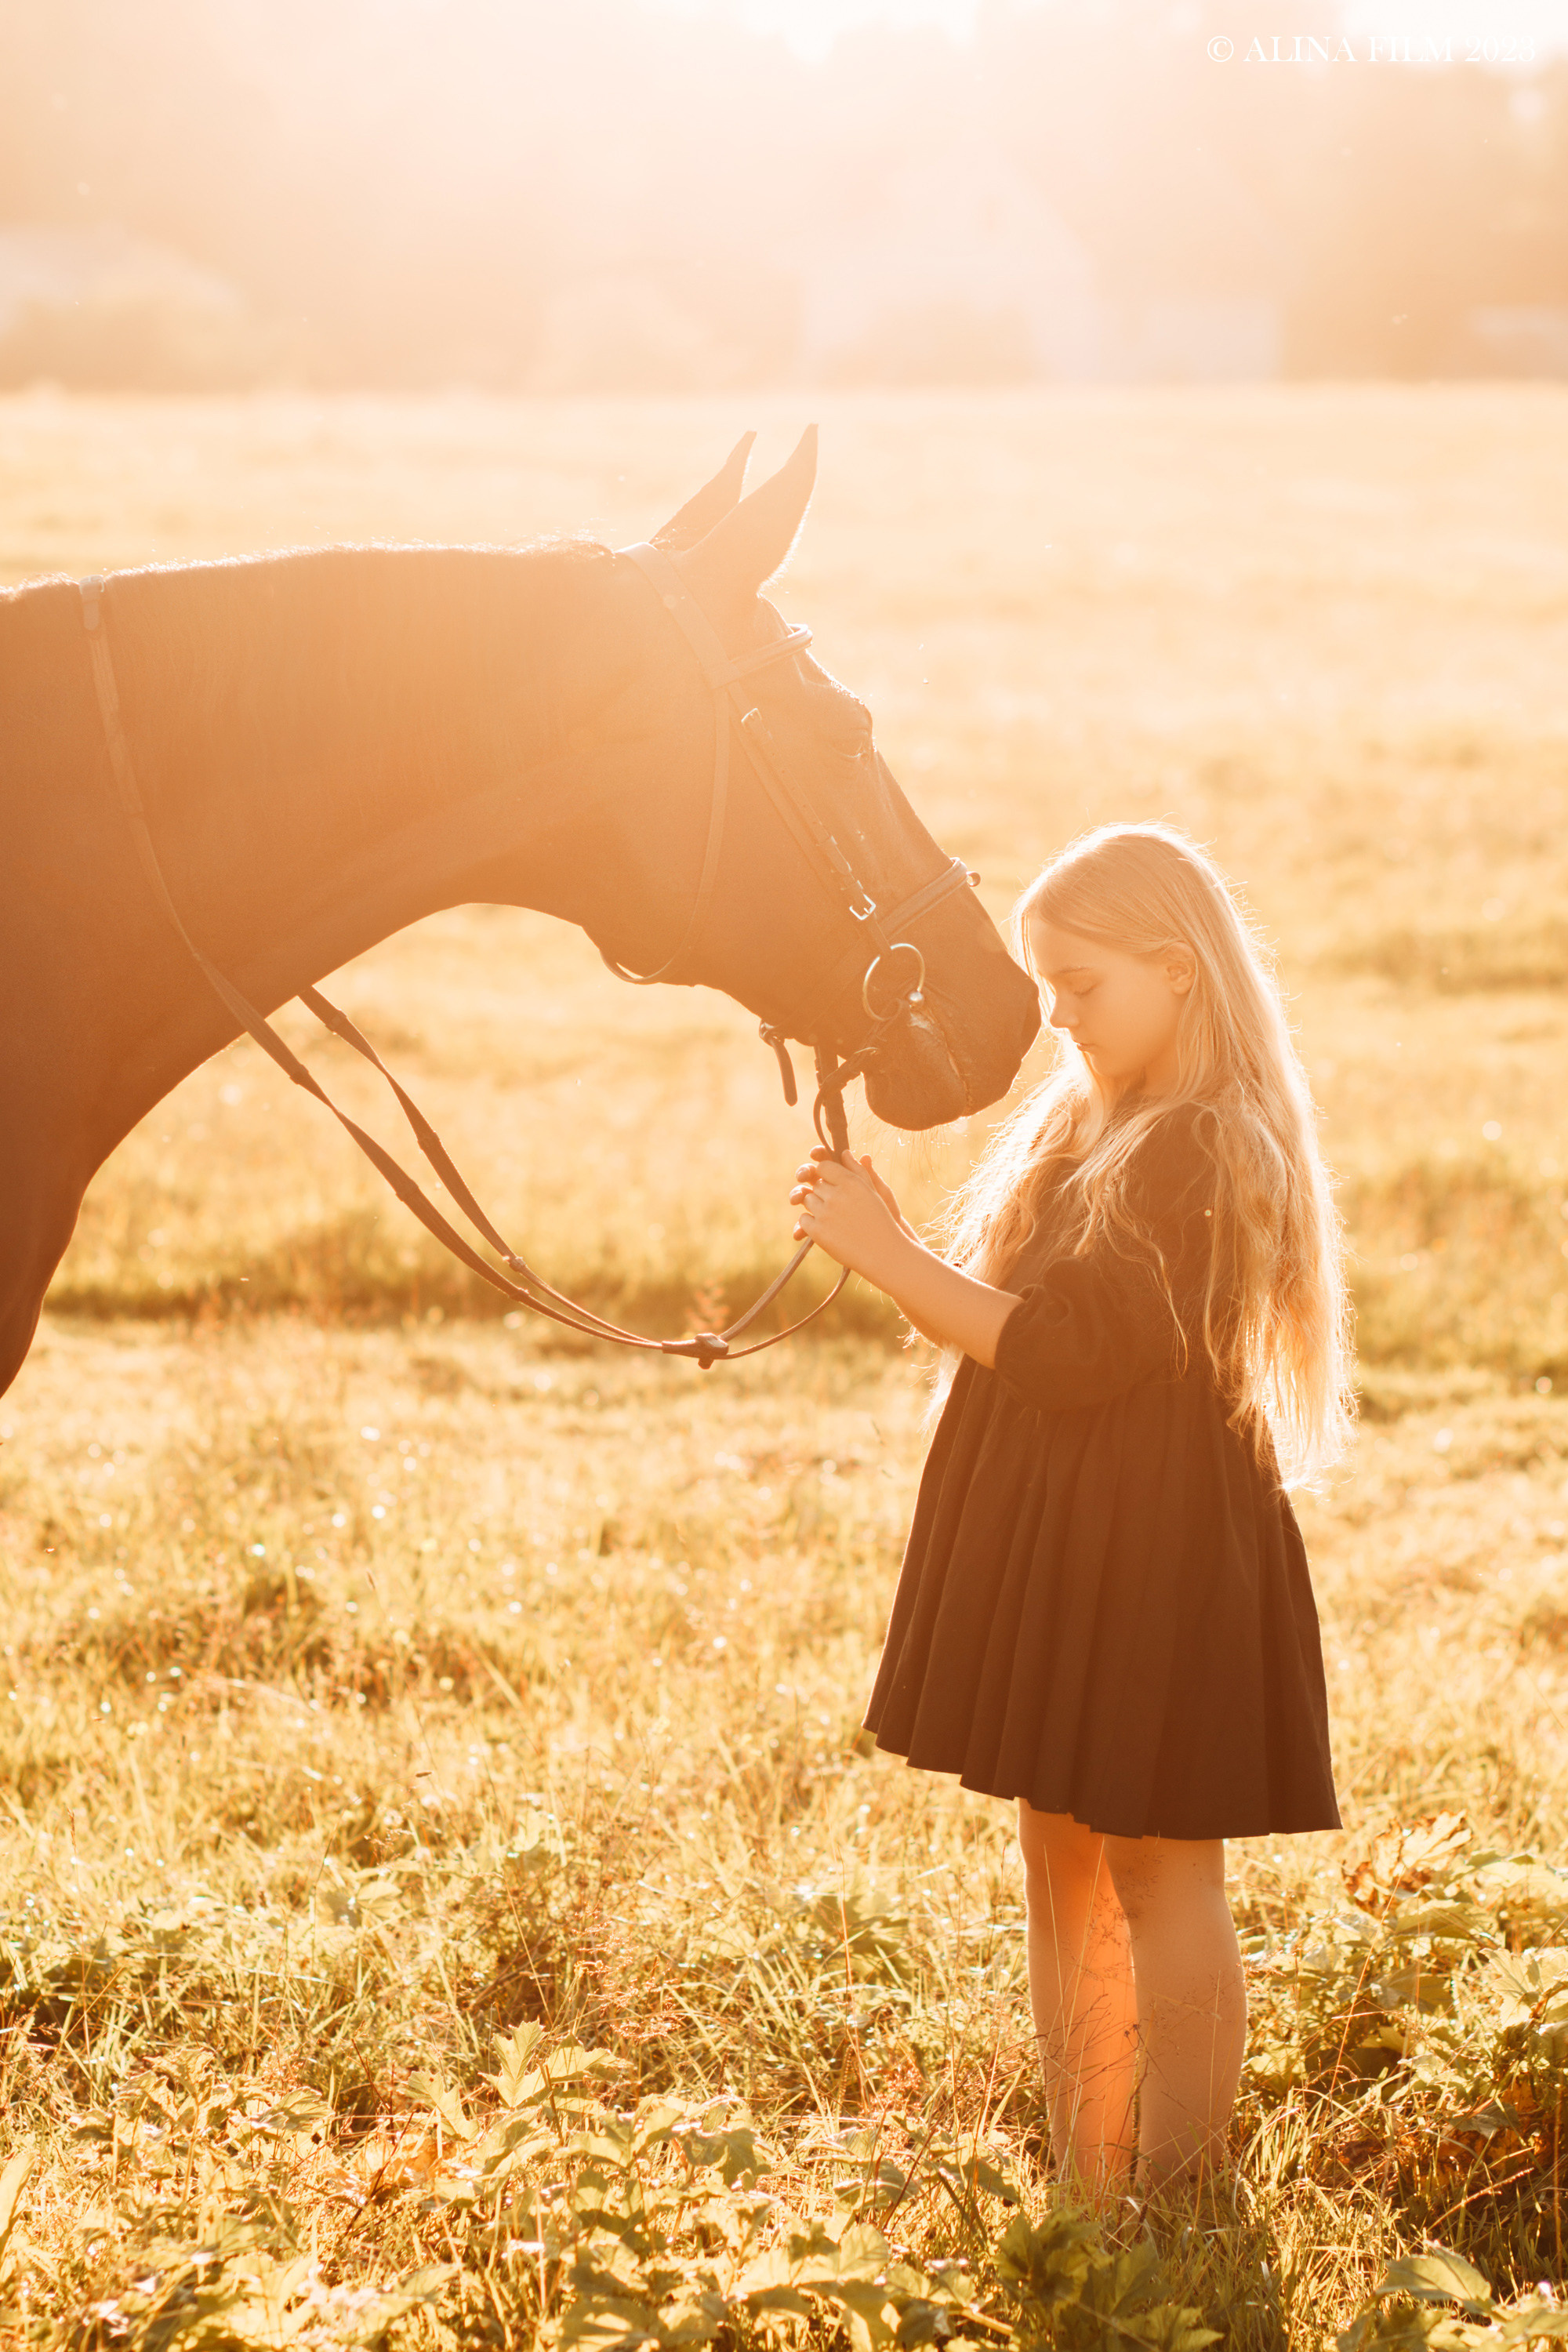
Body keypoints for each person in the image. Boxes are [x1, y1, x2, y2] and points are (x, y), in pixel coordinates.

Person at [789, 822, 1351, 2198]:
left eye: (1084, 986)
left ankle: (1181, 2188)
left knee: (1161, 1862)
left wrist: (888, 1254)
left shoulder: (1204, 1145)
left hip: (1152, 1540)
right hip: (1063, 1526)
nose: (1061, 1018)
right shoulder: (1091, 1115)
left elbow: (1063, 1350)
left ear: (1180, 973)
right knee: (1061, 1847)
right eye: (1047, 988)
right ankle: (1086, 2173)